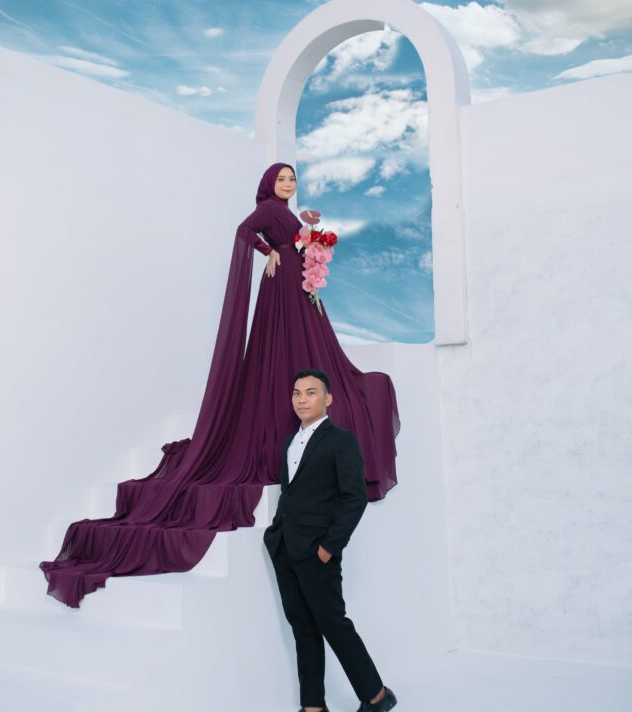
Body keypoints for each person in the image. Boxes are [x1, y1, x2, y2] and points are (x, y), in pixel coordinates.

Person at [40, 163, 400, 608]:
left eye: (291, 179)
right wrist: (269, 251)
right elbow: (243, 232)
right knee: (281, 352)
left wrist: (308, 246)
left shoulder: (287, 213)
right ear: (269, 184)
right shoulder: (267, 209)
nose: (288, 184)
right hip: (280, 290)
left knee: (307, 352)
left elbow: (296, 243)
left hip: (297, 287)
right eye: (282, 179)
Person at [265, 369, 397, 712]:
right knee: (302, 626)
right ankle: (313, 709)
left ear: (328, 399)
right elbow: (292, 492)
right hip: (286, 547)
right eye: (297, 392)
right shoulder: (290, 442)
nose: (302, 399)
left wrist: (328, 548)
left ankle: (376, 695)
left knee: (333, 624)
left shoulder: (341, 440)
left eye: (311, 392)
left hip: (317, 552)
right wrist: (276, 534)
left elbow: (354, 498)